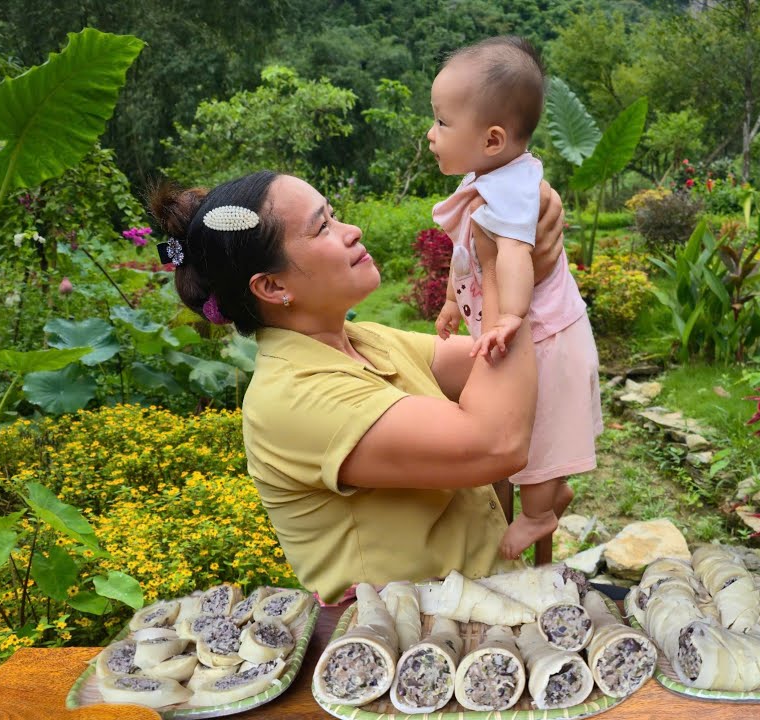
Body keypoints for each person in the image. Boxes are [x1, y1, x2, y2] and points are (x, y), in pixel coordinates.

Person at [147, 171, 565, 603]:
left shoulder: (365, 340)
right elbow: (496, 441)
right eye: (322, 227)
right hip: (408, 647)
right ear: (273, 287)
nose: (352, 231)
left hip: (486, 614)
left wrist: (525, 265)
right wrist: (504, 262)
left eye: (334, 214)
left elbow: (508, 368)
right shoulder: (294, 397)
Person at [428, 36, 603, 560]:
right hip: (535, 331)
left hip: (544, 336)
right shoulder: (495, 176)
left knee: (542, 438)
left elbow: (512, 256)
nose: (431, 134)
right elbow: (468, 258)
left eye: (441, 122)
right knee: (526, 431)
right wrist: (453, 302)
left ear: (492, 138)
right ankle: (545, 499)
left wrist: (511, 316)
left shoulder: (512, 191)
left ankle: (539, 513)